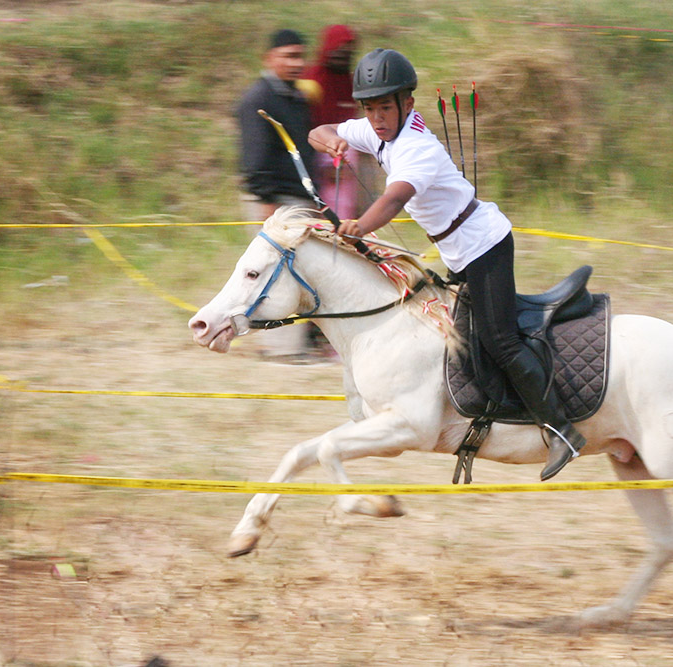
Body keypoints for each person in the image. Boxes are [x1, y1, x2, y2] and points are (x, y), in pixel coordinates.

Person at [307, 48, 585, 480]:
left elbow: (394, 198)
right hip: (460, 250)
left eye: (385, 107)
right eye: (370, 108)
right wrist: (334, 141)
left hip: (484, 244)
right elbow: (319, 131)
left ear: (407, 105)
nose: (377, 117)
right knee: (465, 341)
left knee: (501, 341)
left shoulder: (416, 148)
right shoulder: (376, 131)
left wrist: (359, 227)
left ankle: (562, 431)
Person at [236, 28, 332, 364]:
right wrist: (267, 204)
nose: (297, 63)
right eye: (289, 56)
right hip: (274, 201)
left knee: (301, 273)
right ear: (269, 58)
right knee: (274, 273)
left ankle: (299, 344)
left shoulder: (297, 96)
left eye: (300, 56)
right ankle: (281, 350)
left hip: (299, 200)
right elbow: (254, 156)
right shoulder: (257, 99)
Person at [298, 25, 364, 220]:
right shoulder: (311, 80)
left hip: (347, 159)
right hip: (318, 155)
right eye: (338, 50)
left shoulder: (351, 83)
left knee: (347, 215)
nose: (343, 57)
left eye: (348, 52)